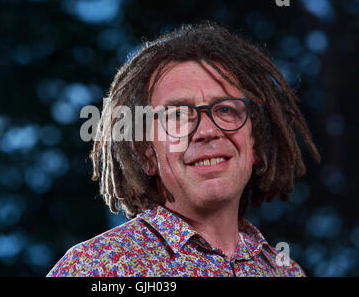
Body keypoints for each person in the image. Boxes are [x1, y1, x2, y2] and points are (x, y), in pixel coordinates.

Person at [47, 21, 320, 277]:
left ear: (255, 142)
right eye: (178, 115)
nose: (207, 131)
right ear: (146, 154)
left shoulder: (286, 271)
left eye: (225, 109)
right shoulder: (93, 269)